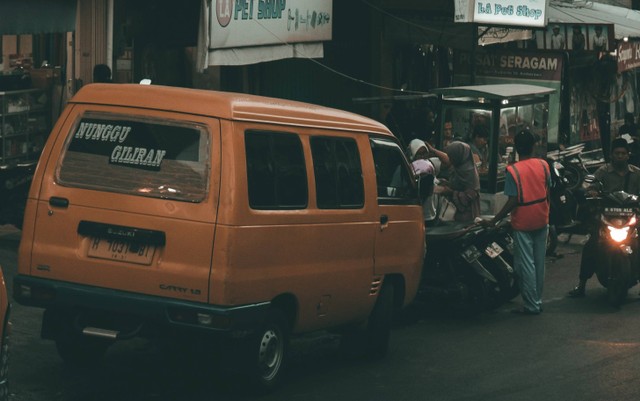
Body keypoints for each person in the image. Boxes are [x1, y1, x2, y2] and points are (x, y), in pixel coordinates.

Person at [480, 130, 550, 315]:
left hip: (524, 221)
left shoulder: (513, 170)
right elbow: (547, 190)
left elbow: (513, 200)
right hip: (542, 217)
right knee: (539, 261)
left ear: (517, 148)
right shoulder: (544, 165)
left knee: (526, 264)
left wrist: (495, 220)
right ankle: (537, 299)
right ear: (534, 145)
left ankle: (532, 305)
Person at [568, 138, 640, 297]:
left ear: (628, 155)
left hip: (631, 219)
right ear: (611, 155)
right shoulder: (603, 172)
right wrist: (591, 191)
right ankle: (581, 285)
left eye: (623, 153)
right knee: (591, 245)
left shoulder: (636, 173)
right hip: (607, 219)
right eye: (617, 153)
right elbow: (589, 187)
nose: (620, 156)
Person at [426, 141, 480, 223]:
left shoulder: (469, 174)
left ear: (458, 156)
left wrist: (449, 192)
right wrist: (447, 183)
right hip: (453, 214)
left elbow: (469, 196)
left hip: (467, 217)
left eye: (452, 156)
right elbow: (456, 184)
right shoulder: (458, 167)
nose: (450, 159)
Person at [408, 139, 441, 223]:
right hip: (417, 217)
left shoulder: (431, 164)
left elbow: (448, 161)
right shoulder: (405, 170)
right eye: (419, 154)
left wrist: (433, 150)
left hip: (432, 216)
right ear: (412, 155)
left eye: (425, 153)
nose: (423, 157)